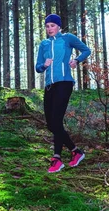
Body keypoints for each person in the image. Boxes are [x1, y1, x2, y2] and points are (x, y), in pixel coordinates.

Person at [35, 14, 91, 173]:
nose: (49, 29)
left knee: (56, 121)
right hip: (49, 86)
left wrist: (76, 61)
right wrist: (44, 65)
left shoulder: (67, 38)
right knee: (51, 124)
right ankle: (75, 151)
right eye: (47, 26)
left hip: (64, 83)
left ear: (59, 26)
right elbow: (38, 67)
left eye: (52, 25)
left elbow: (86, 50)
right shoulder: (44, 44)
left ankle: (57, 158)